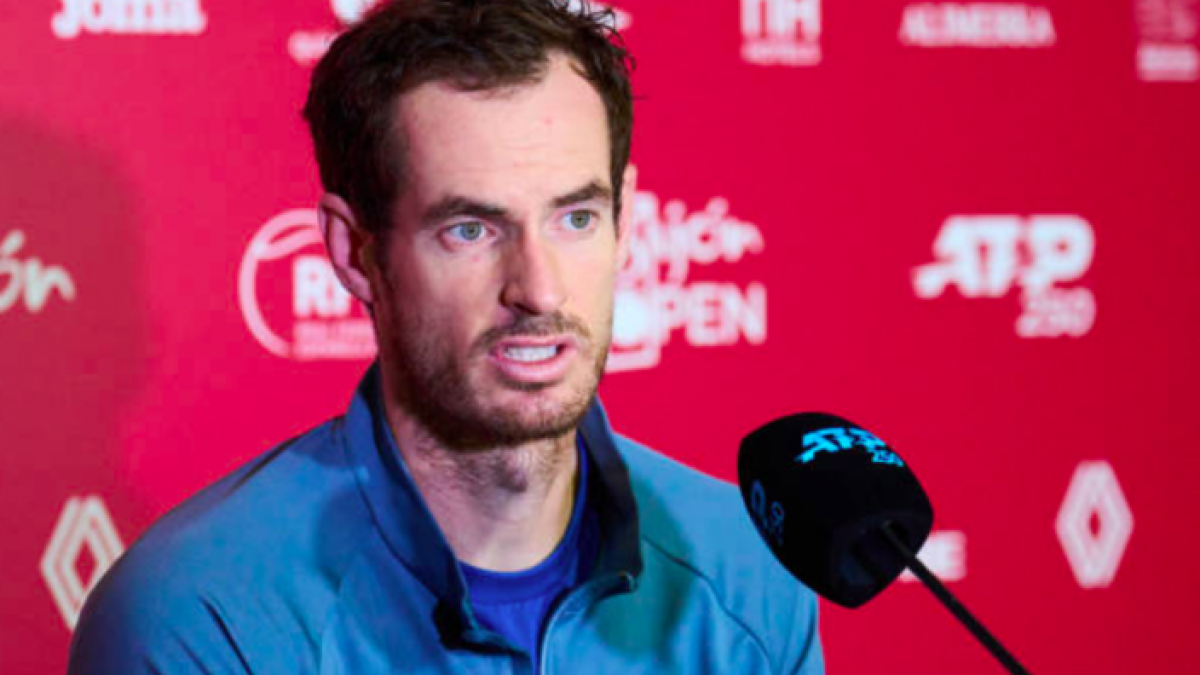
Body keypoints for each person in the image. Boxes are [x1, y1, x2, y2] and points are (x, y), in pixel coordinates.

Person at [68, 1, 824, 672]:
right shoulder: (198, 619)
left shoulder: (747, 574)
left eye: (576, 218)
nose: (539, 288)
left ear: (625, 218)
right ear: (353, 250)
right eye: (470, 229)